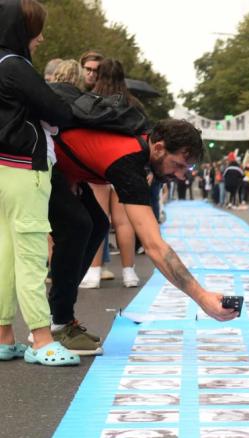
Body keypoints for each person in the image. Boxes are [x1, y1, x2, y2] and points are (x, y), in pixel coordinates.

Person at [48, 119, 238, 355]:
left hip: (58, 162)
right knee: (78, 225)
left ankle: (57, 314)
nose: (180, 176)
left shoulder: (141, 143)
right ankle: (57, 323)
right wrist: (202, 298)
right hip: (33, 157)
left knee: (96, 224)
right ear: (158, 148)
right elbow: (154, 246)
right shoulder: (128, 160)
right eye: (178, 165)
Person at [0, 0, 78, 366]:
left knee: (3, 255)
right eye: (36, 30)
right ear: (21, 29)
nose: (41, 38)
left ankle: (4, 336)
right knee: (31, 254)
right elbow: (60, 110)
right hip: (23, 166)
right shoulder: (15, 66)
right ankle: (42, 339)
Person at [78, 58, 148, 290]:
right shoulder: (133, 103)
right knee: (123, 222)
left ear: (99, 76)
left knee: (99, 220)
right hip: (125, 167)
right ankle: (129, 273)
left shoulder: (91, 100)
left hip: (97, 166)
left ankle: (94, 272)